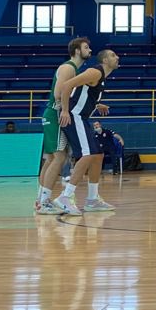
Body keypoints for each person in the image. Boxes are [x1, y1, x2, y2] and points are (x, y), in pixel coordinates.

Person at [53, 49, 120, 215]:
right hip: (74, 116)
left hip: (81, 117)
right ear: (104, 59)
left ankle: (92, 199)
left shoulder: (100, 77)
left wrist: (97, 104)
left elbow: (82, 93)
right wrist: (65, 111)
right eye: (112, 55)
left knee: (98, 155)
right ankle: (65, 197)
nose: (117, 57)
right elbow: (67, 86)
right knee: (88, 154)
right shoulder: (95, 72)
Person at [35, 37, 94, 215]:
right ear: (77, 50)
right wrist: (66, 111)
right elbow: (59, 93)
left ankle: (40, 200)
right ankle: (44, 201)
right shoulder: (69, 68)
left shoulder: (72, 68)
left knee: (52, 159)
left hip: (51, 114)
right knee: (59, 157)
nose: (89, 50)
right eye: (86, 47)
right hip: (56, 114)